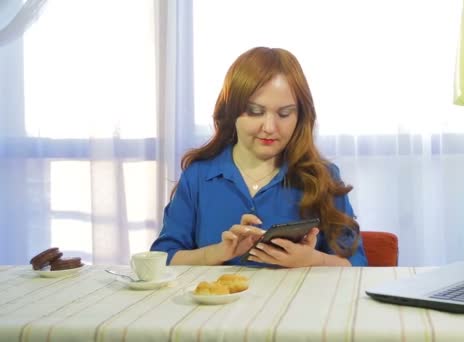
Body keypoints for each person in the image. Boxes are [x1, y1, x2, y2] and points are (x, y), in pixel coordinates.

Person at [150, 47, 367, 267]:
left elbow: (357, 265)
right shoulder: (198, 176)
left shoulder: (324, 177)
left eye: (284, 114)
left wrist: (313, 260)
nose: (270, 128)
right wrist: (217, 252)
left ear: (301, 116)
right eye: (255, 111)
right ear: (231, 112)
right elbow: (163, 258)